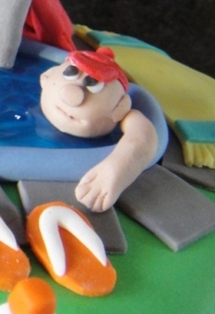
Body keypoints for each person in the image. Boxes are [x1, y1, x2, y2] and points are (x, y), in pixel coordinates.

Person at [40, 48, 158, 212]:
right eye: (70, 72)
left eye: (93, 84)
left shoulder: (125, 115)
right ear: (46, 77)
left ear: (120, 107)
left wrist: (117, 167)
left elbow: (144, 137)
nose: (71, 95)